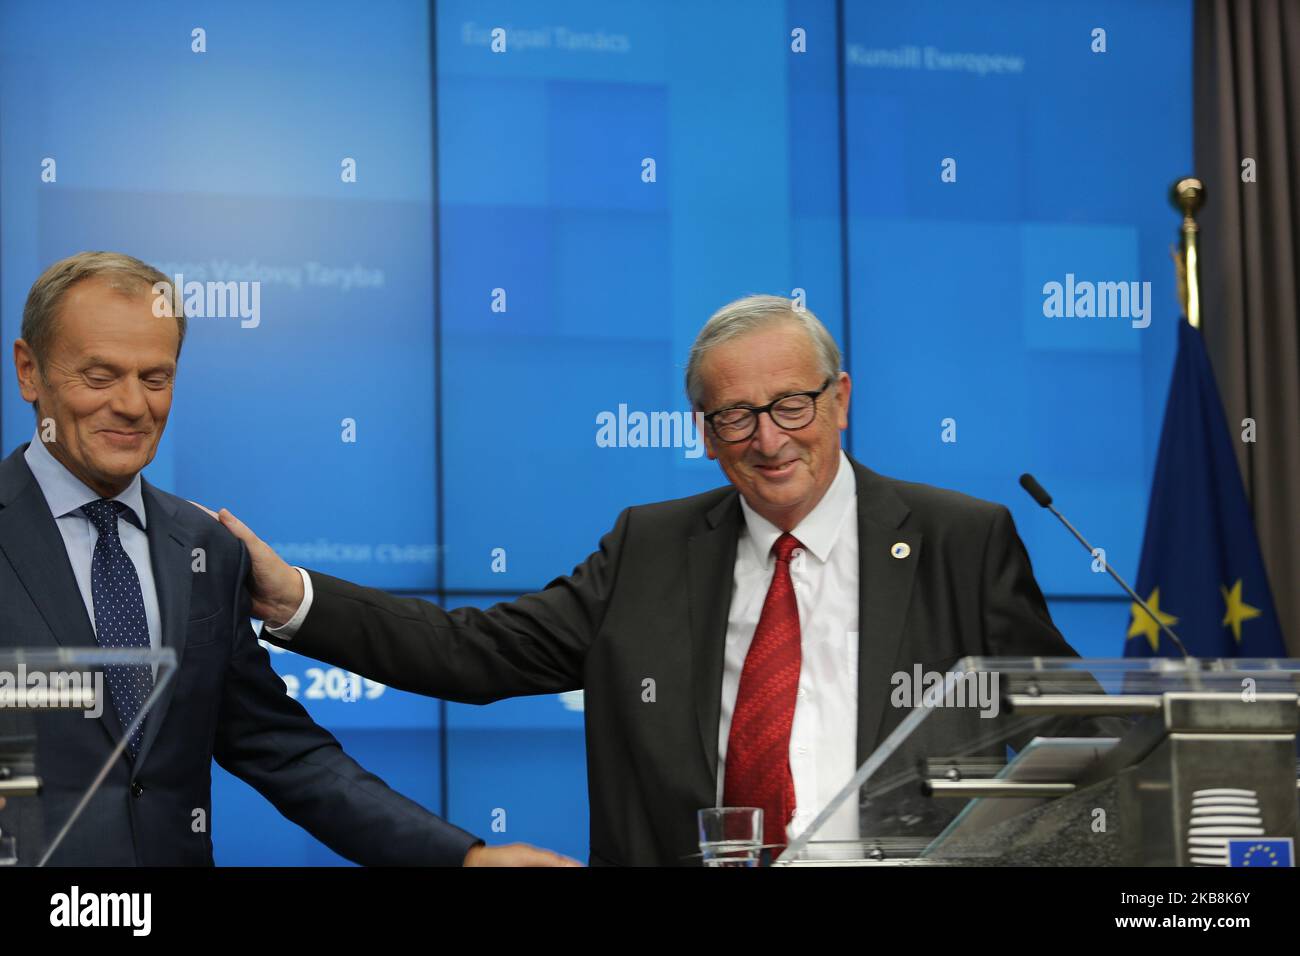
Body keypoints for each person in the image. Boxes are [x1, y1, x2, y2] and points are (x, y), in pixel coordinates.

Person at [217, 294, 1094, 866]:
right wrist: (293, 596)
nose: (769, 436)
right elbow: (473, 654)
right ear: (705, 434)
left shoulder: (960, 541)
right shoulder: (650, 547)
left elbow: (1082, 736)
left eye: (791, 404)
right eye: (735, 416)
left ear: (839, 401)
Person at [0, 251, 575, 866]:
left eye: (156, 377)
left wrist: (460, 858)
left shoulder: (204, 548)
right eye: (100, 376)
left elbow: (281, 749)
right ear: (29, 372)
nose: (134, 405)